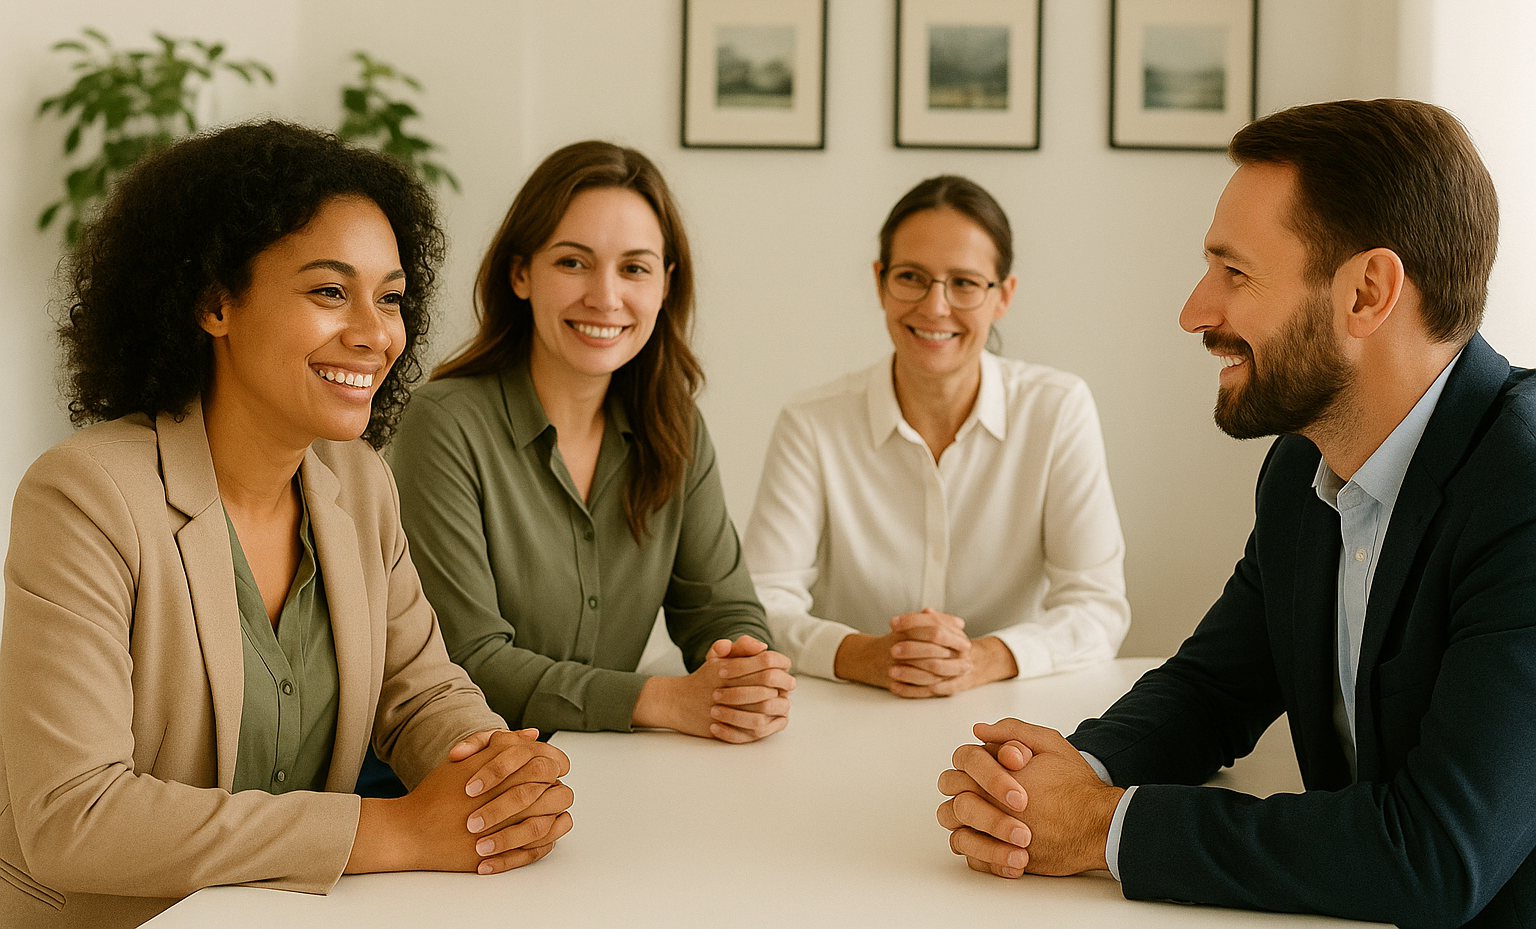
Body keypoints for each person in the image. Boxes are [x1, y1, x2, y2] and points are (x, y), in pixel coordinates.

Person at [937, 99, 1536, 927]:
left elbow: (1434, 852)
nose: (1195, 311)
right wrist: (1051, 774)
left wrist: (1101, 826)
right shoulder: (1303, 468)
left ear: (1367, 293)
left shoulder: (1525, 489)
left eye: (1235, 272)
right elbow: (1214, 687)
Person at [0, 122, 574, 929]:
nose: (375, 333)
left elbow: (420, 692)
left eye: (392, 296)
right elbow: (73, 814)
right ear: (214, 302)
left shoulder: (359, 483)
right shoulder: (86, 496)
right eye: (330, 291)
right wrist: (394, 830)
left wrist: (496, 779)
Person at [388, 140, 792, 743]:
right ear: (521, 273)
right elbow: (466, 660)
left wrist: (745, 673)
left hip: (613, 767)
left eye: (634, 268)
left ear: (664, 284)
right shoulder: (444, 424)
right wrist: (662, 699)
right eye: (573, 262)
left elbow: (718, 608)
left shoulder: (674, 424)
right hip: (471, 778)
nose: (605, 296)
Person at [743, 176, 1129, 696]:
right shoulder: (812, 422)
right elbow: (762, 599)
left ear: (1003, 295)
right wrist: (866, 656)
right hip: (851, 706)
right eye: (911, 277)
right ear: (880, 282)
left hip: (1011, 706)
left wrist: (982, 658)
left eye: (964, 283)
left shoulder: (1057, 410)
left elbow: (1097, 606)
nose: (934, 306)